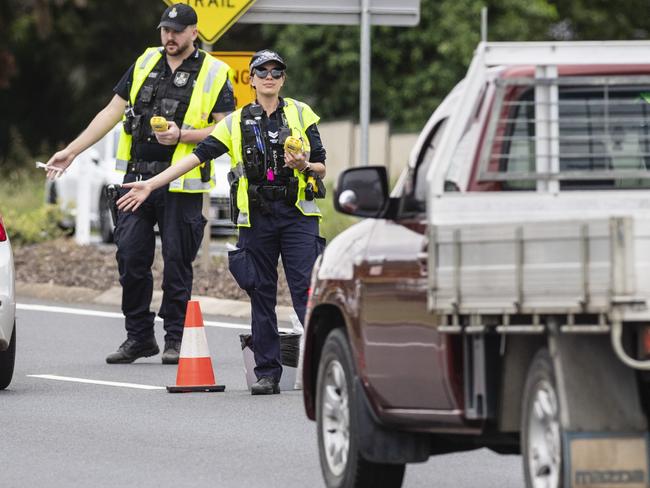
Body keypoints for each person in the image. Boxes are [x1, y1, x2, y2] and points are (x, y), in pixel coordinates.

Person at [117, 50, 327, 395]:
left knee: (307, 295)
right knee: (260, 295)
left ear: (283, 79)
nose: (270, 76)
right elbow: (194, 158)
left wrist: (304, 164)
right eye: (263, 71)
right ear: (253, 79)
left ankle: (323, 370)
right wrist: (152, 183)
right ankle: (267, 374)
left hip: (298, 218)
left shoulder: (302, 114)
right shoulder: (236, 121)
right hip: (256, 219)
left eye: (277, 71)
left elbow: (321, 167)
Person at [44, 4, 235, 365]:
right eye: (165, 30)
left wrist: (184, 134)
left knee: (178, 264)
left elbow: (228, 129)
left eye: (177, 31)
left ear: (195, 32)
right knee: (130, 256)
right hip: (135, 181)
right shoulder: (146, 61)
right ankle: (139, 337)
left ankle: (176, 338)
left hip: (182, 184)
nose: (170, 37)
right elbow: (111, 112)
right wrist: (71, 151)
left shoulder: (214, 72)